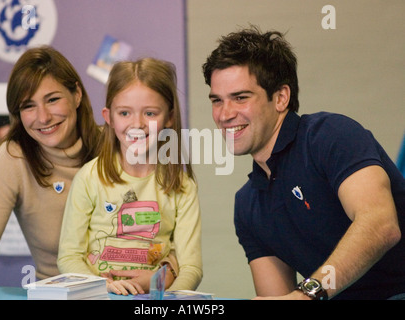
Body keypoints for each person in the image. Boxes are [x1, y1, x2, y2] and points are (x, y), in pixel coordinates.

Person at [202, 26, 405, 300]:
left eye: (240, 98)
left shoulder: (330, 135)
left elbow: (381, 225)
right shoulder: (248, 204)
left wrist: (308, 294)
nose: (225, 114)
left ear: (281, 98)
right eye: (217, 100)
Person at [0, 46, 102, 300]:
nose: (43, 117)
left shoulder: (116, 146)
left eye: (53, 99)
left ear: (77, 94)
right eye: (28, 106)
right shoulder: (15, 157)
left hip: (132, 296)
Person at [57, 58, 203, 295]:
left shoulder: (182, 187)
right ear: (109, 117)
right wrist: (102, 287)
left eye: (150, 113)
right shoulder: (89, 178)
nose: (137, 124)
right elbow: (69, 257)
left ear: (169, 118)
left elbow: (191, 268)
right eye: (124, 113)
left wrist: (161, 289)